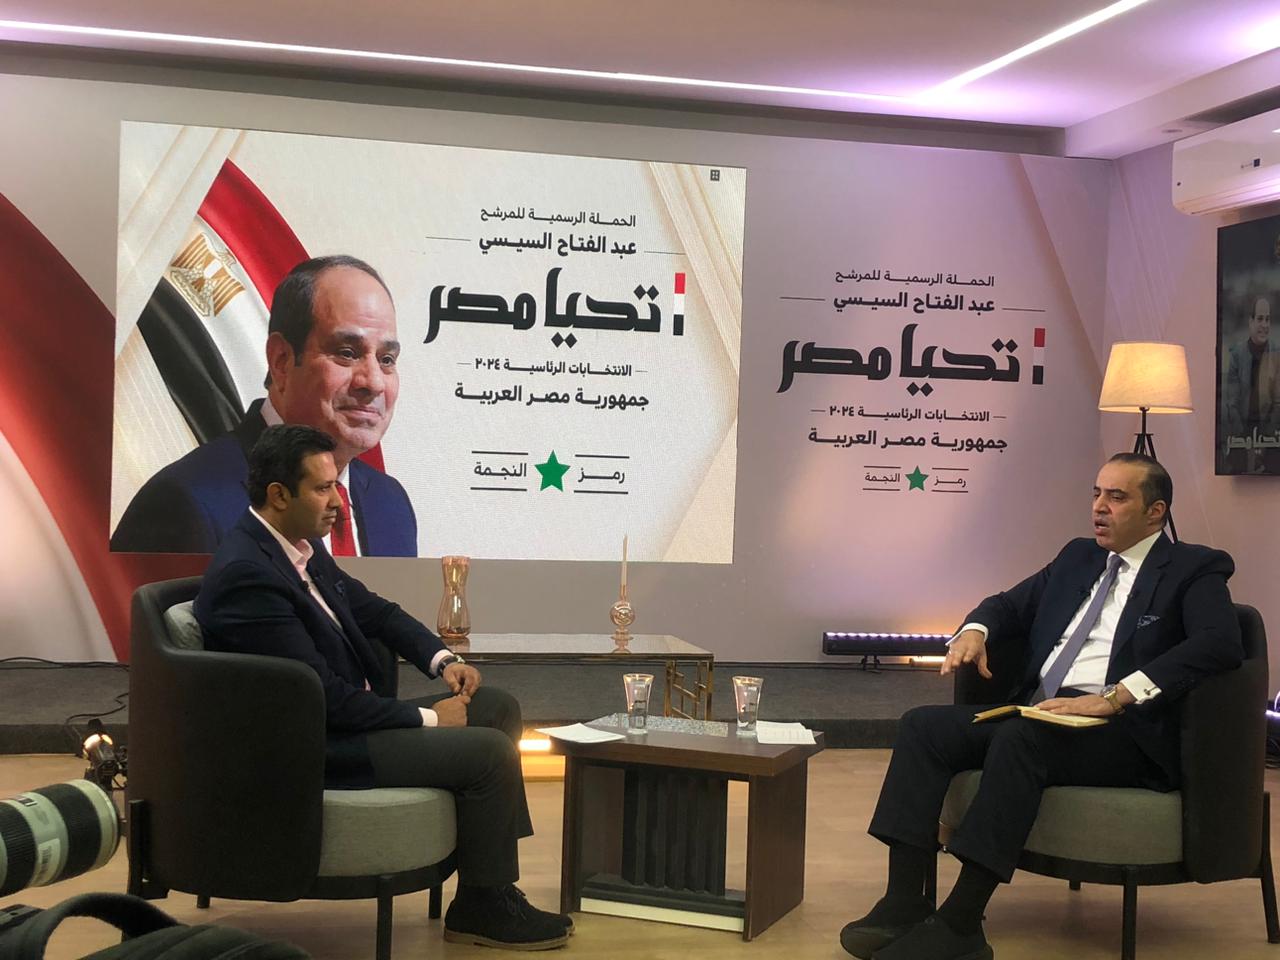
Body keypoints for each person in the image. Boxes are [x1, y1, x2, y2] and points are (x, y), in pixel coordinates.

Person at [840, 453, 1242, 960]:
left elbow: (1220, 643)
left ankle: (962, 924)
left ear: (1155, 512)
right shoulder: (1078, 556)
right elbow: (1007, 605)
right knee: (922, 726)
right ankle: (903, 902)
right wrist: (975, 630)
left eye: (1117, 497)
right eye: (1096, 494)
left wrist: (1116, 697)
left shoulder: (1193, 568)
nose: (1099, 507)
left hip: (1121, 729)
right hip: (1040, 711)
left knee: (1020, 738)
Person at [194, 424, 569, 950]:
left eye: (336, 485)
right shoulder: (248, 576)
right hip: (316, 747)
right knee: (487, 753)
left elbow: (376, 611)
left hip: (347, 721)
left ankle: (486, 889)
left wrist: (443, 661)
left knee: (496, 706)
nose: (338, 503)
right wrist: (431, 718)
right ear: (278, 495)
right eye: (322, 488)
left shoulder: (297, 547)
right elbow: (321, 698)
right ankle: (485, 904)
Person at [111, 255, 416, 556]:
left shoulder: (389, 505)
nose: (374, 382)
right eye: (347, 353)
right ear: (281, 361)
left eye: (387, 359)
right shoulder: (186, 504)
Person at [1222, 295, 1280, 472]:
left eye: (1268, 319)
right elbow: (1232, 404)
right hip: (1241, 433)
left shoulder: (1277, 354)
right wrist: (1245, 438)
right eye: (1260, 319)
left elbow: (1278, 403)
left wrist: (1264, 440)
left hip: (1270, 434)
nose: (1264, 325)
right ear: (1250, 322)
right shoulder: (1237, 355)